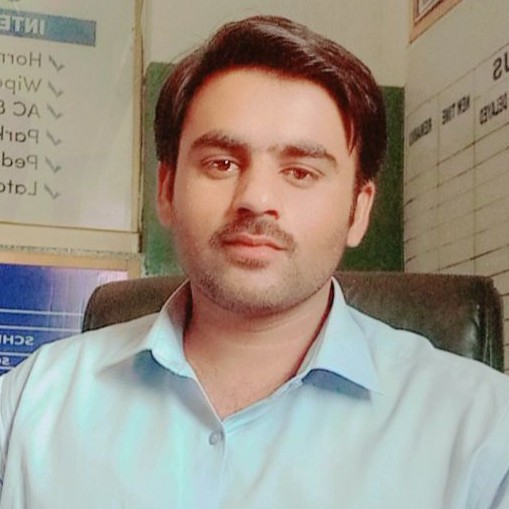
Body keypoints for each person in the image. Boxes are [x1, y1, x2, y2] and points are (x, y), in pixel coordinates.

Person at [0, 15, 508, 509]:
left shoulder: (483, 435)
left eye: (301, 171)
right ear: (167, 190)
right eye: (221, 163)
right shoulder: (30, 406)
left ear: (359, 210)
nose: (256, 198)